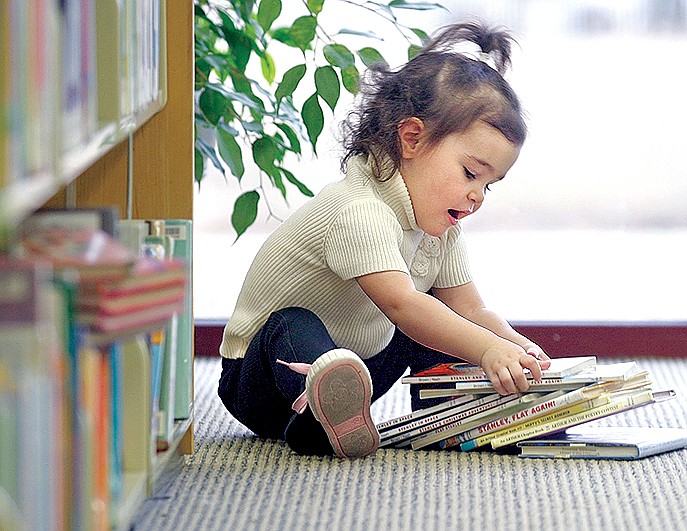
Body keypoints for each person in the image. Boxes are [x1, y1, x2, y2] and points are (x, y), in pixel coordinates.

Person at [217, 21, 551, 459]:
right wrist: (487, 349)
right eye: (471, 173)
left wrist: (516, 348)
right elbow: (402, 305)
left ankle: (448, 415)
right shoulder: (358, 209)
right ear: (411, 138)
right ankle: (318, 407)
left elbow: (470, 308)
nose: (477, 195)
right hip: (262, 378)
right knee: (295, 322)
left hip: (355, 372)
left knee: (441, 318)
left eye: (489, 185)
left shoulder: (440, 226)